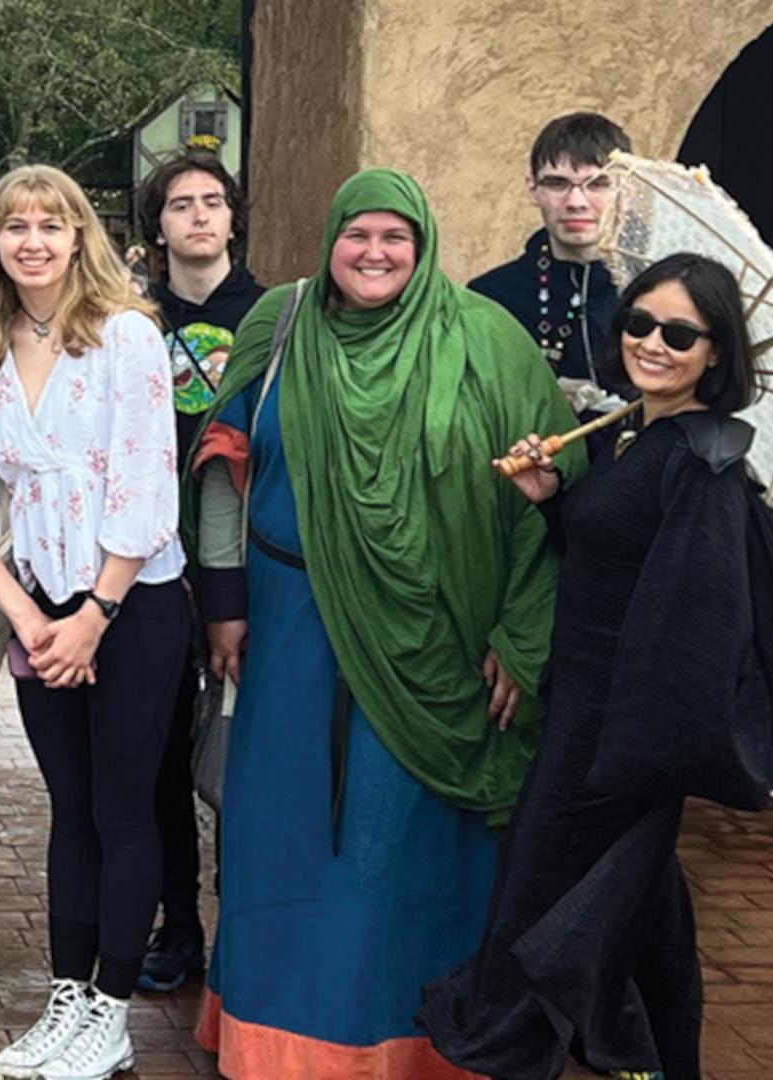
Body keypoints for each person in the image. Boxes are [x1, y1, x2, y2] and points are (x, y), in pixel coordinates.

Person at [181, 169, 578, 1078]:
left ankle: (432, 1043)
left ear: (423, 245)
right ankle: (276, 1037)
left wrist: (520, 635)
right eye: (357, 235)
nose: (374, 253)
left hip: (442, 643)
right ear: (329, 241)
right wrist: (227, 602)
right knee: (283, 839)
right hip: (290, 633)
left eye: (395, 237)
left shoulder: (488, 341)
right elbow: (220, 463)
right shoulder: (280, 324)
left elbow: (550, 501)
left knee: (408, 846)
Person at [420, 253, 768, 1080]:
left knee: (542, 898)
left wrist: (638, 752)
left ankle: (515, 1051)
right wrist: (554, 499)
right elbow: (612, 557)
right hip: (582, 704)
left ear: (715, 353)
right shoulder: (631, 433)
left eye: (679, 333)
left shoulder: (702, 462)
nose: (653, 342)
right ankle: (651, 1053)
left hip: (620, 725)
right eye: (639, 322)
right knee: (636, 902)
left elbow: (695, 622)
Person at [0, 164, 186, 1080]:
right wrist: (32, 618)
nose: (33, 241)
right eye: (14, 226)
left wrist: (95, 615)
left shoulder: (126, 338)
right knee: (67, 812)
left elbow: (148, 490)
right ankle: (66, 999)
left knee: (122, 810)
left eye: (52, 224)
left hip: (133, 604)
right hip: (39, 611)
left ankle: (110, 1013)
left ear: (81, 237)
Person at [130, 149, 267, 995]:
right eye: (181, 205)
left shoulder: (274, 316)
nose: (199, 217)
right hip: (149, 562)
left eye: (212, 202)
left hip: (246, 562)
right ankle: (177, 923)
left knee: (244, 751)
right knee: (159, 759)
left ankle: (242, 923)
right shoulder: (130, 320)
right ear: (159, 225)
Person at [469, 112, 631, 384]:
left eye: (598, 184)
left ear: (626, 190)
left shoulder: (654, 295)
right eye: (558, 183)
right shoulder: (489, 300)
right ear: (532, 189)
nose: (576, 201)